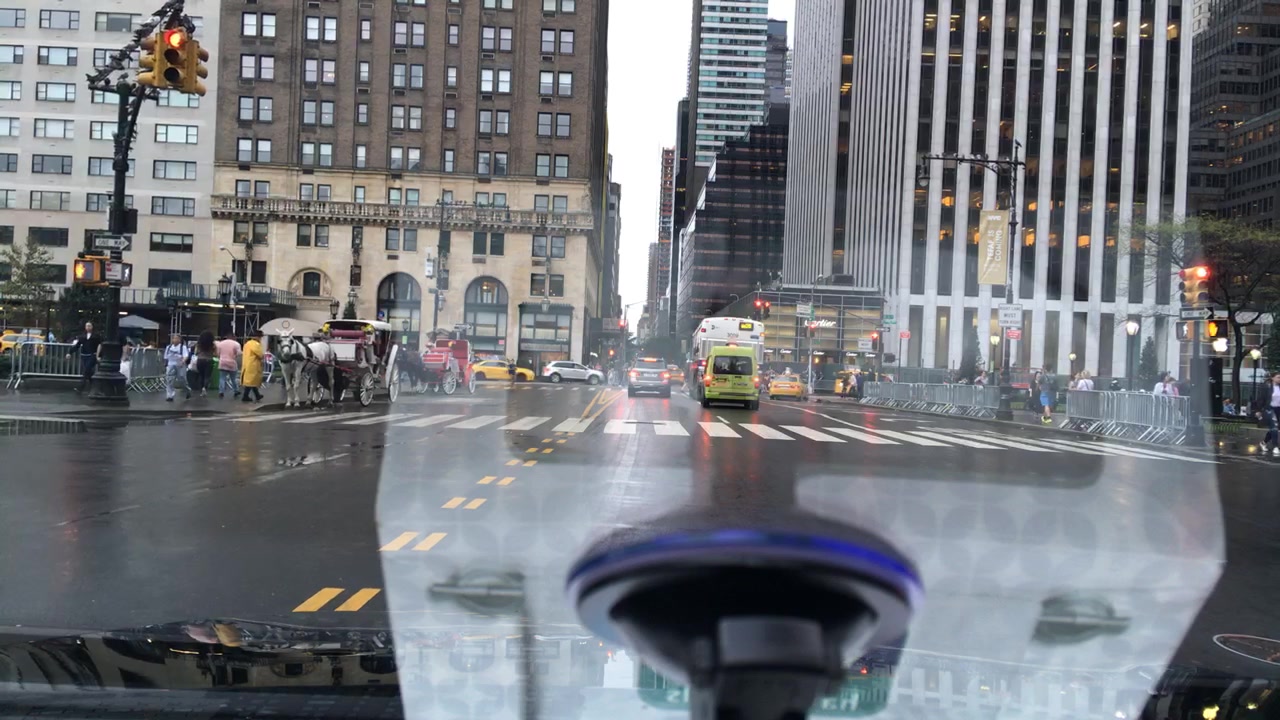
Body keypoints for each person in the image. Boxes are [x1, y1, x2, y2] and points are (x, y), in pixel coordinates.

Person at [66, 322, 102, 393]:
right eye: (87, 326)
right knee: (89, 372)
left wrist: (99, 355)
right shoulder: (82, 336)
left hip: (92, 355)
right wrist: (69, 352)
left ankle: (81, 387)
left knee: (86, 370)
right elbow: (77, 345)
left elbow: (100, 346)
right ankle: (94, 387)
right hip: (84, 355)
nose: (88, 327)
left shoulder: (96, 336)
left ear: (92, 327)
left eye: (89, 326)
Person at [1253, 372, 1280, 457]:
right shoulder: (1267, 387)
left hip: (1278, 409)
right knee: (1274, 427)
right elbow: (1261, 399)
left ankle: (1263, 442)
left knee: (1275, 428)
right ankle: (1275, 446)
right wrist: (1258, 410)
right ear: (1272, 378)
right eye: (1278, 377)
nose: (1279, 379)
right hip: (1269, 409)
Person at [162, 333, 190, 402]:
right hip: (171, 364)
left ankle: (187, 390)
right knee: (169, 380)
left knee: (182, 379)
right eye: (174, 338)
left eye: (177, 338)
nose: (175, 340)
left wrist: (183, 361)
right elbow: (166, 357)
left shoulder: (183, 347)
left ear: (179, 340)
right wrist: (165, 364)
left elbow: (186, 356)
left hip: (180, 365)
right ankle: (170, 395)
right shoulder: (169, 347)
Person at [241, 330, 266, 403]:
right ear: (258, 337)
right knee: (251, 381)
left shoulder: (247, 343)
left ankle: (257, 395)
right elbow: (260, 355)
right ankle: (245, 396)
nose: (261, 339)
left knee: (251, 381)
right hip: (253, 365)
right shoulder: (256, 344)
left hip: (247, 364)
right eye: (261, 337)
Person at [216, 331, 242, 399]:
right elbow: (239, 353)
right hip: (232, 362)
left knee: (222, 378)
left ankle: (221, 392)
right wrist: (234, 355)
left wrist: (221, 357)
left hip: (222, 362)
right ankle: (236, 391)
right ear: (233, 337)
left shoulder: (220, 343)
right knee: (233, 378)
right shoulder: (236, 344)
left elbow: (217, 353)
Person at [192, 330, 216, 398]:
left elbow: (195, 353)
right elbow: (215, 353)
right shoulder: (212, 345)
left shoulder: (199, 344)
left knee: (201, 375)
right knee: (207, 376)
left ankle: (201, 389)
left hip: (200, 360)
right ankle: (205, 388)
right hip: (209, 360)